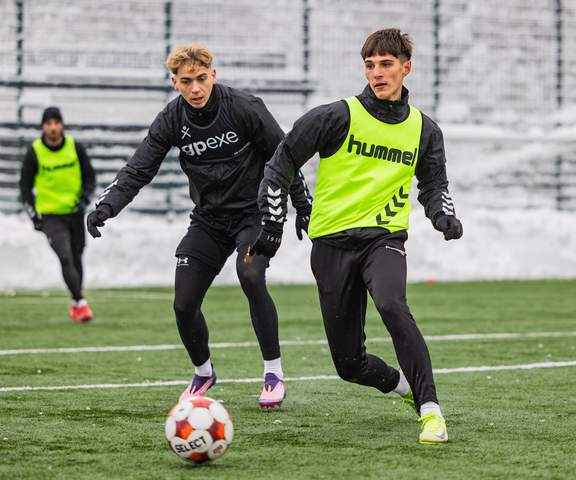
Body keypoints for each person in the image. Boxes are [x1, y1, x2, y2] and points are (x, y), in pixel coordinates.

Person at [251, 29, 463, 443]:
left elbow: (434, 183)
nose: (377, 73)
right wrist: (273, 221)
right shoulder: (335, 116)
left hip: (383, 239)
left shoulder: (424, 130)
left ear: (406, 67)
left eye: (386, 64)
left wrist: (442, 214)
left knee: (392, 304)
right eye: (370, 65)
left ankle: (431, 410)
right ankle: (404, 388)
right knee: (349, 364)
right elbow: (280, 163)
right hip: (330, 244)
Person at [86, 44, 312, 408]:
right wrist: (107, 206)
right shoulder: (171, 119)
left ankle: (273, 373)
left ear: (213, 76)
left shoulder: (244, 107)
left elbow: (283, 155)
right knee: (183, 303)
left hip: (253, 214)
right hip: (208, 219)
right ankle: (204, 372)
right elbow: (139, 167)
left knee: (251, 275)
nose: (195, 88)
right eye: (186, 81)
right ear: (174, 83)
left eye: (202, 79)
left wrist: (301, 204)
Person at [19, 107, 96, 323]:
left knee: (77, 256)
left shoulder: (74, 147)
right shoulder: (35, 151)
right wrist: (34, 215)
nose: (53, 128)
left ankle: (76, 301)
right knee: (65, 256)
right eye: (48, 124)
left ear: (61, 125)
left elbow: (89, 176)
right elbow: (25, 187)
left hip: (74, 213)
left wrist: (85, 198)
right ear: (43, 127)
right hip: (51, 216)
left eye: (56, 123)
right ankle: (80, 302)